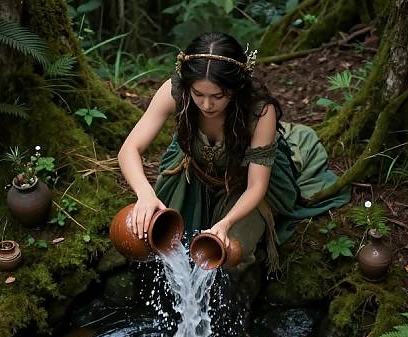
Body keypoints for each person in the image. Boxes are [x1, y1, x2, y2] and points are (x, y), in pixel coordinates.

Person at [118, 32, 350, 273]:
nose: (207, 105)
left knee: (227, 253)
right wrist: (145, 194)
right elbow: (129, 150)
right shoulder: (175, 91)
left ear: (236, 88)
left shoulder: (259, 111)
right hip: (193, 175)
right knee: (155, 241)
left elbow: (256, 186)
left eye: (217, 96)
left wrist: (225, 224)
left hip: (244, 182)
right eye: (198, 95)